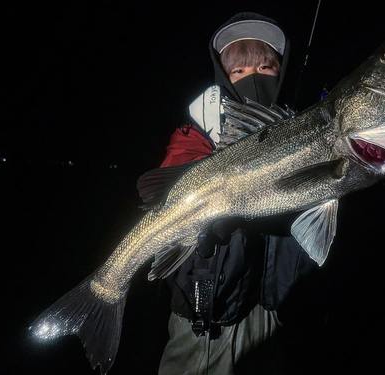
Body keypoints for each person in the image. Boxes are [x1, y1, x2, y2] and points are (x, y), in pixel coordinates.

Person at [154, 12, 318, 374]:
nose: (253, 78)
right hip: (208, 320)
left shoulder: (297, 124)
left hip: (271, 311)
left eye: (265, 67)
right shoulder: (199, 128)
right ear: (223, 78)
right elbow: (172, 177)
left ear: (283, 69)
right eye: (239, 72)